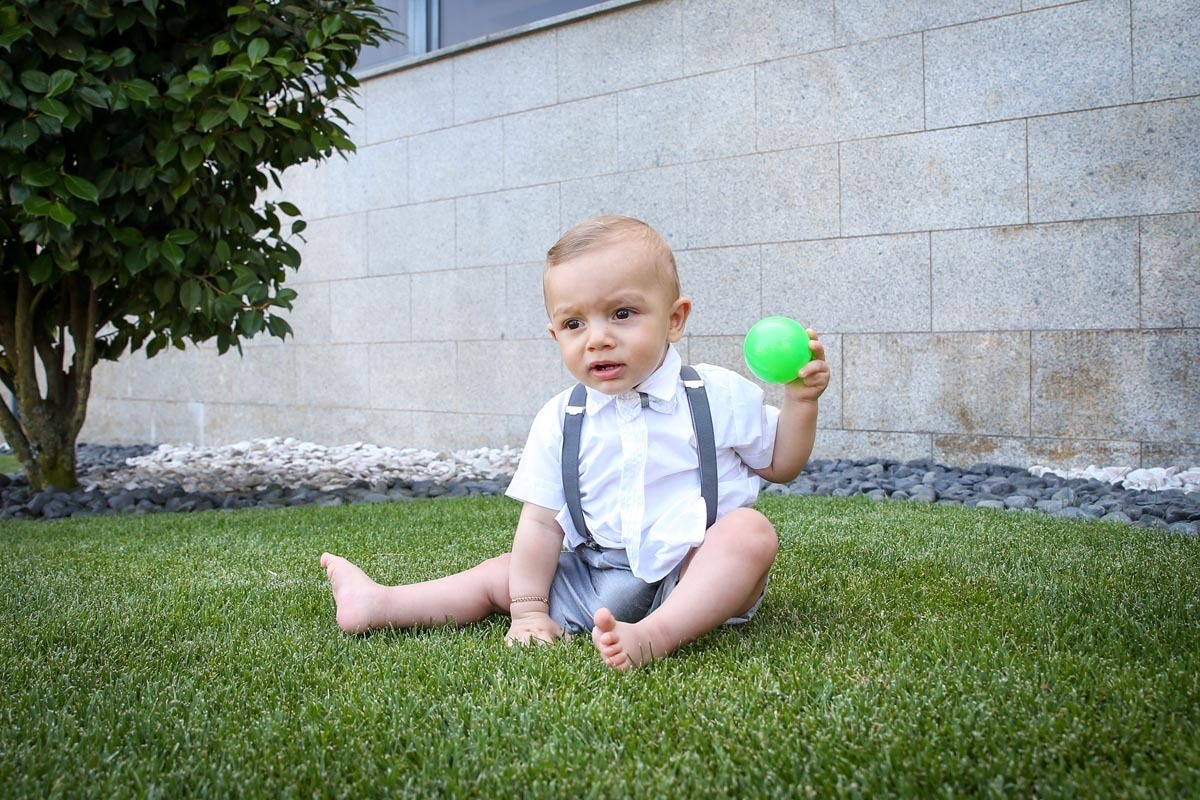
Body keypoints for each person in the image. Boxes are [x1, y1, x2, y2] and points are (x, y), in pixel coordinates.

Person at [320, 215, 829, 669]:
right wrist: (528, 611)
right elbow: (541, 523)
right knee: (500, 576)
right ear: (555, 335)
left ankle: (656, 635)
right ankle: (380, 604)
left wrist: (801, 402)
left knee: (748, 533)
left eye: (622, 314)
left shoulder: (716, 394)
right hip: (596, 576)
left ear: (674, 319)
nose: (597, 338)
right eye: (574, 323)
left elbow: (781, 464)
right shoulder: (561, 419)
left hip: (695, 575)